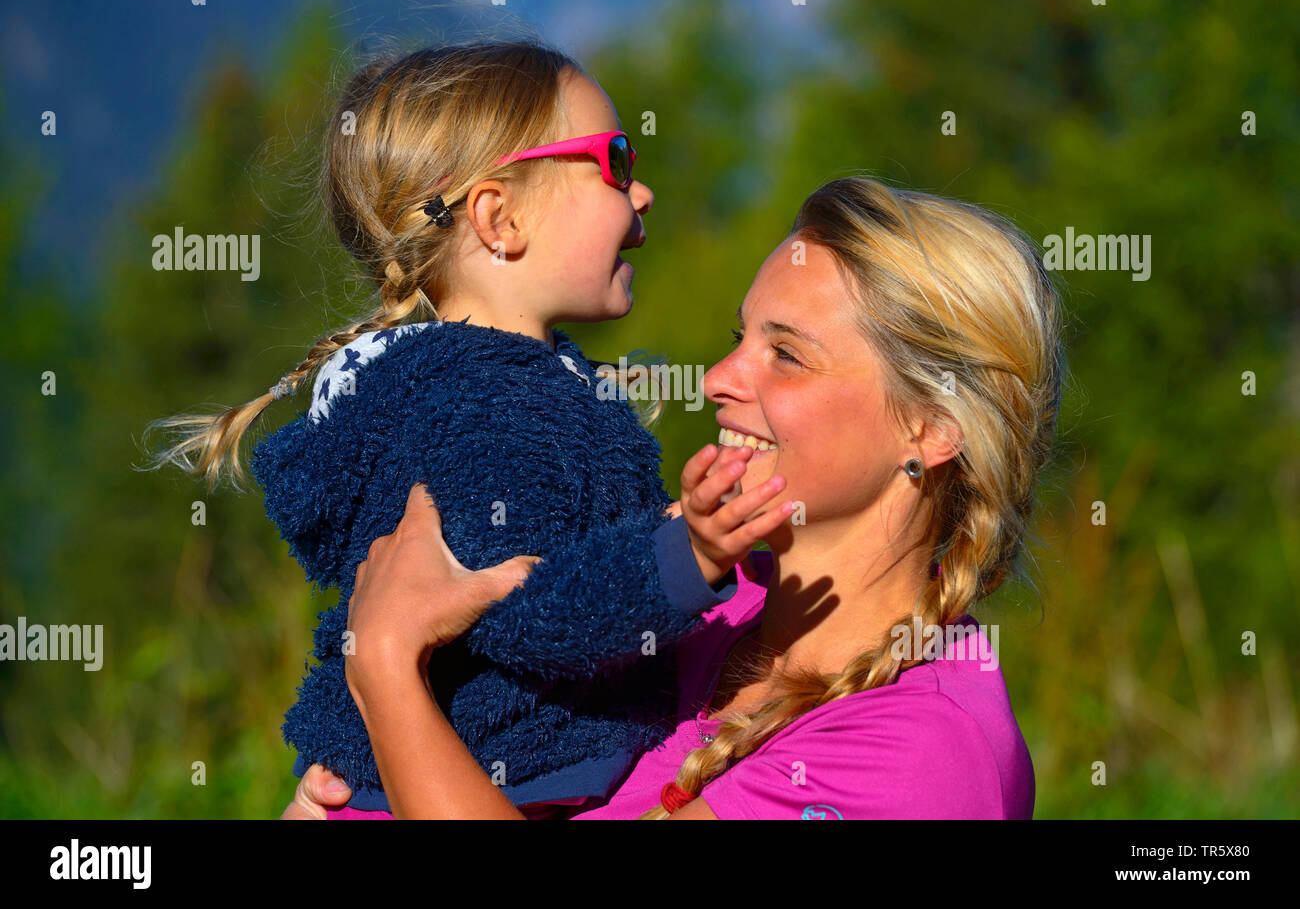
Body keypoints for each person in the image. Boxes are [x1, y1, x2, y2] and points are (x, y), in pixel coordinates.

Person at [142, 40, 794, 818]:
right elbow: (519, 610)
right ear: (499, 216)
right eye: (615, 161)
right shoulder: (492, 411)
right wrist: (682, 556)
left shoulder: (477, 383)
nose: (643, 192)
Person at [284, 175, 1065, 819]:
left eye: (786, 354)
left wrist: (387, 672)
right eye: (739, 338)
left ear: (933, 426)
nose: (721, 380)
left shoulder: (920, 752)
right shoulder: (693, 598)